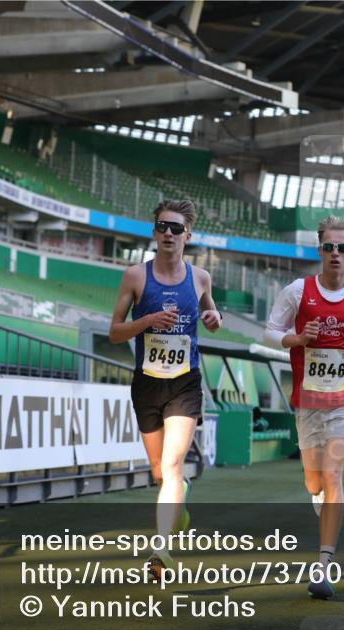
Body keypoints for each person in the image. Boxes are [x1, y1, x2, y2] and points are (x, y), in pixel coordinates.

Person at [264, 216, 344, 599]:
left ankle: (323, 566)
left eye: (342, 248)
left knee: (333, 474)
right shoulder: (297, 291)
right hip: (308, 402)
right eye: (329, 247)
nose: (335, 253)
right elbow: (270, 332)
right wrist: (298, 338)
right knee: (314, 482)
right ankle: (318, 495)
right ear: (320, 250)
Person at [108, 199, 222, 579]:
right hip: (147, 382)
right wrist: (149, 320)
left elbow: (212, 315)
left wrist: (214, 317)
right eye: (162, 227)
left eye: (176, 228)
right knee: (160, 471)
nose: (168, 234)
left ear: (188, 235)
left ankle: (160, 550)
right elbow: (114, 332)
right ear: (154, 233)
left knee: (172, 464)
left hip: (185, 382)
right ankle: (180, 498)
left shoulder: (200, 277)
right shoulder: (135, 276)